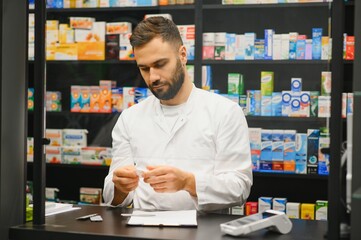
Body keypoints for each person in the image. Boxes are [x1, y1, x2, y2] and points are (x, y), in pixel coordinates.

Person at [103, 16, 252, 212]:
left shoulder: (224, 112)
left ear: (182, 55)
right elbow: (111, 196)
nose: (153, 77)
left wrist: (188, 182)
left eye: (160, 64)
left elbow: (239, 188)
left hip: (203, 230)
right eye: (144, 68)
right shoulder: (130, 118)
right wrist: (120, 187)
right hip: (143, 230)